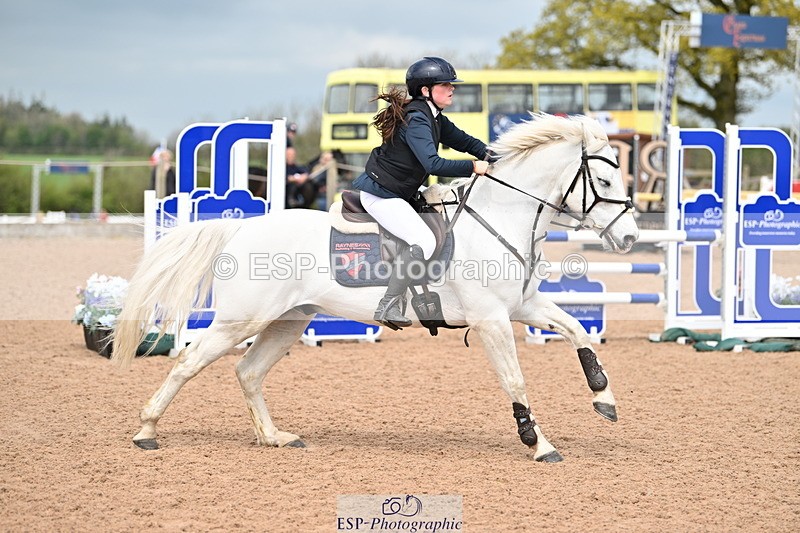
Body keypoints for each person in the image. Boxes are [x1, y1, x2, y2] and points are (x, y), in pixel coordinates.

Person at [351, 56, 491, 328]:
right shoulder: (417, 119)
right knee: (423, 240)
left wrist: (498, 155)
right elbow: (433, 164)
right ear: (426, 90)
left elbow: (466, 141)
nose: (452, 89)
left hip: (399, 192)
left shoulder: (434, 117)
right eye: (445, 84)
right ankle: (388, 304)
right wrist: (474, 167)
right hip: (382, 194)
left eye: (452, 84)